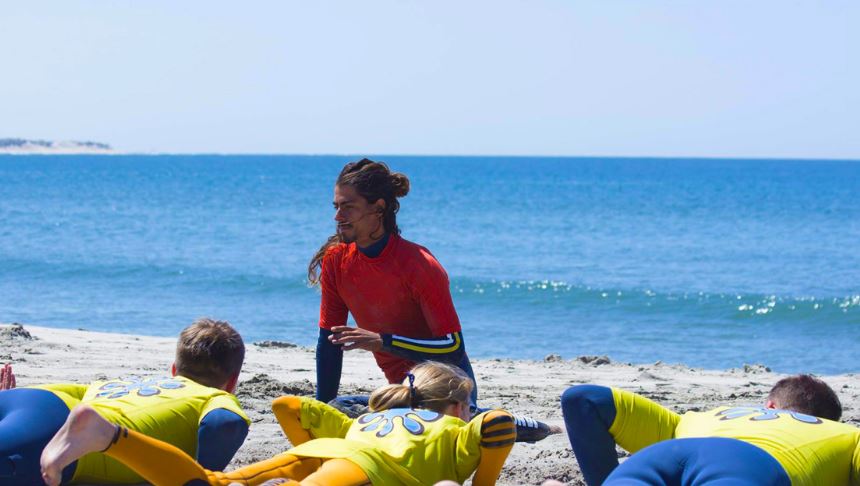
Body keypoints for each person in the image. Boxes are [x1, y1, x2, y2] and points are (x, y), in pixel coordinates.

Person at [309, 158, 556, 441]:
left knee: (437, 419)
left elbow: (453, 347)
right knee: (339, 407)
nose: (337, 216)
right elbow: (329, 343)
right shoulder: (336, 260)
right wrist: (321, 411)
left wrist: (382, 342)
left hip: (447, 387)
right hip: (401, 392)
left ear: (378, 208)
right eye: (336, 206)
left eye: (347, 207)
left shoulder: (419, 264)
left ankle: (520, 424)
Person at [40, 361, 517, 486]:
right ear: (457, 406)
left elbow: (289, 406)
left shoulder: (371, 419)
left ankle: (108, 435)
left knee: (214, 483)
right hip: (361, 470)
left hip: (318, 457)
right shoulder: (456, 431)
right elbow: (497, 425)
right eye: (469, 407)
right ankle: (106, 436)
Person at [0, 318, 249, 485]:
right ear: (232, 381)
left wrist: (11, 404)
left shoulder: (128, 383)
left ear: (173, 369)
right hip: (54, 432)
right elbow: (225, 422)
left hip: (32, 401)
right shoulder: (215, 397)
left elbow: (49, 398)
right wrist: (200, 476)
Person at [560, 374, 859, 485]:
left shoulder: (705, 416)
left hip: (664, 455)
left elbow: (582, 398)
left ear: (769, 406)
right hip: (751, 467)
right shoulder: (844, 436)